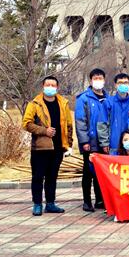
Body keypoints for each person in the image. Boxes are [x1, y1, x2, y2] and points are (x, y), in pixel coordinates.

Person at [22, 76, 73, 216]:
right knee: (38, 176)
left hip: (58, 147)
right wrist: (44, 131)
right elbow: (26, 123)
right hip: (40, 147)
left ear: (57, 87)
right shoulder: (35, 104)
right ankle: (37, 204)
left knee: (52, 176)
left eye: (53, 85)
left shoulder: (63, 103)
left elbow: (68, 125)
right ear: (43, 86)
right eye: (48, 85)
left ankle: (50, 203)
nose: (50, 87)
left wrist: (69, 144)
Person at [75, 68, 110, 212]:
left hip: (104, 142)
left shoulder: (108, 98)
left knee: (101, 172)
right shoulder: (84, 98)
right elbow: (80, 121)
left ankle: (100, 199)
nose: (98, 81)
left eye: (100, 78)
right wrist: (84, 141)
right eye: (95, 78)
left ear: (104, 80)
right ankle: (87, 201)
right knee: (88, 172)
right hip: (90, 141)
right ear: (90, 80)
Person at [101, 73, 129, 155]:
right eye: (120, 83)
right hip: (113, 145)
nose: (123, 85)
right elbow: (102, 124)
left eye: (126, 82)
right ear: (115, 85)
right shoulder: (108, 103)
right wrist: (104, 143)